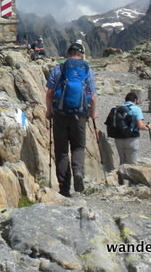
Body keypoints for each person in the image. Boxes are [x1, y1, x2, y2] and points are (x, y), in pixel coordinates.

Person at [45, 42, 97, 197]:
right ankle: (78, 173)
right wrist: (92, 114)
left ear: (68, 54)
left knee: (61, 152)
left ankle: (64, 188)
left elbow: (49, 93)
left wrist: (49, 111)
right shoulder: (88, 70)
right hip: (80, 115)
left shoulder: (58, 69)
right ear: (81, 55)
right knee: (78, 147)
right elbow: (93, 97)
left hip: (60, 114)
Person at [113, 92, 151, 165]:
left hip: (118, 138)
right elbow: (140, 126)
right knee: (132, 163)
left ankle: (121, 175)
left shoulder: (117, 108)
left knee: (122, 162)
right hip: (131, 138)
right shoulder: (136, 109)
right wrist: (148, 127)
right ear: (135, 100)